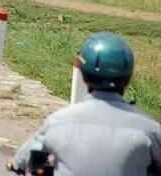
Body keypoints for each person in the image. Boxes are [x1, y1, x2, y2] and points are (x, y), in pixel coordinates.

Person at [9, 31, 161, 175]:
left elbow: (23, 159)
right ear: (128, 77)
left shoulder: (58, 121)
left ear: (83, 74)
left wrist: (15, 164)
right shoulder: (150, 129)